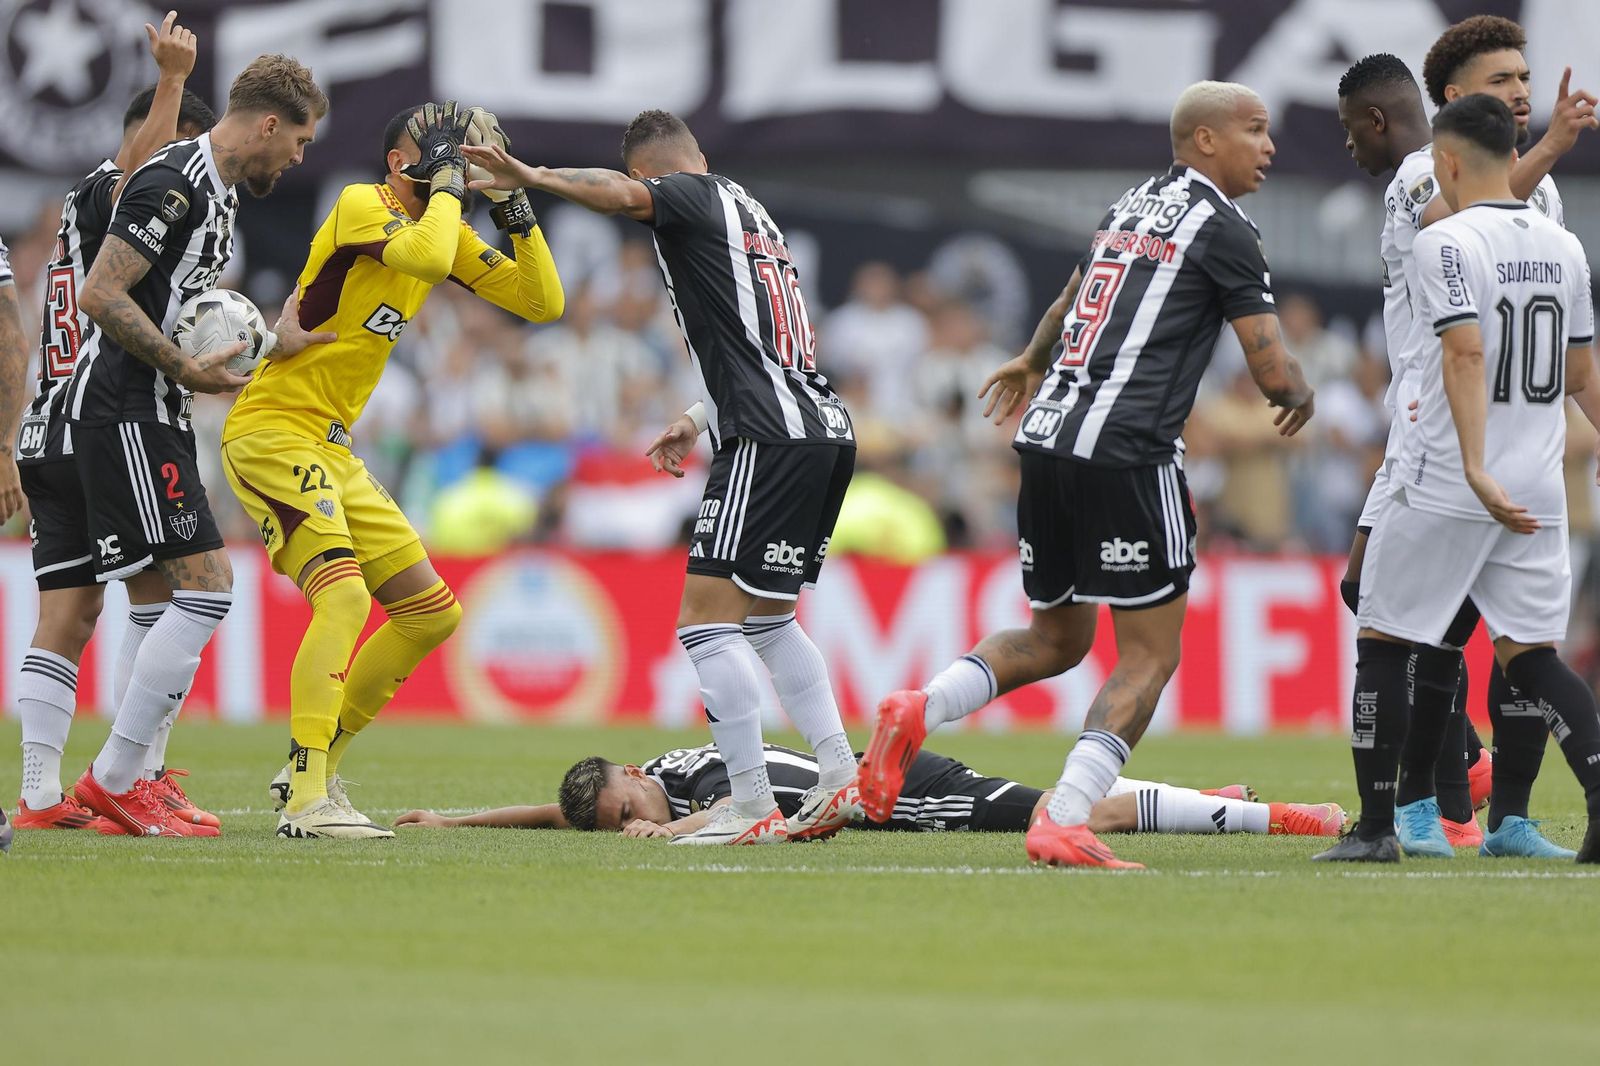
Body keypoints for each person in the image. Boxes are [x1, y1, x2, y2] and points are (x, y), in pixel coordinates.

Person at [855, 80, 1315, 870]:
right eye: (1255, 129)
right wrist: (1300, 392)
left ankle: (919, 706)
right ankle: (1065, 816)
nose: (1269, 146)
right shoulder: (1227, 228)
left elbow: (1072, 297)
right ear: (1206, 140)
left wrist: (1031, 359)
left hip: (1046, 441)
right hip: (1128, 451)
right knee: (1149, 655)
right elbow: (1270, 371)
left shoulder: (1130, 207)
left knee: (1056, 637)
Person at [464, 112, 859, 846]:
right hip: (822, 428)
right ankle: (839, 775)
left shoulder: (687, 194)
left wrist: (532, 177)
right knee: (770, 621)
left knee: (706, 624)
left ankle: (750, 802)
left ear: (652, 174)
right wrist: (699, 416)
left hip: (768, 436)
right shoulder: (753, 215)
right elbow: (762, 343)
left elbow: (618, 195)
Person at [234, 102, 565, 839]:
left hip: (331, 445)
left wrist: (512, 204)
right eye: (439, 144)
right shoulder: (363, 203)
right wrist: (446, 187)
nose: (455, 156)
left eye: (460, 148)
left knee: (430, 612)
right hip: (274, 430)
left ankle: (312, 766)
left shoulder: (442, 229)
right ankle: (307, 802)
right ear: (397, 163)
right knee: (344, 599)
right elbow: (424, 258)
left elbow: (543, 302)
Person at [1324, 29, 1598, 860]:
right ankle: (1461, 801)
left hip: (1454, 442)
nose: (1520, 90)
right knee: (1494, 635)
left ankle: (1439, 807)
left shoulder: (1526, 190)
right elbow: (1464, 214)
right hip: (1482, 438)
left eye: (1524, 76)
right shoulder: (1431, 176)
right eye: (1500, 79)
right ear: (1454, 97)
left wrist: (1543, 154)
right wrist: (1547, 152)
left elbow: (1481, 294)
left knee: (1411, 624)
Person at [64, 54, 331, 837]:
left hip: (153, 405)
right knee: (209, 589)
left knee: (155, 601)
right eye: (300, 141)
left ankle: (139, 781)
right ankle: (114, 779)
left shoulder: (219, 192)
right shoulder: (174, 182)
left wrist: (268, 344)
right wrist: (182, 369)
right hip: (126, 406)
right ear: (269, 124)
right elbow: (101, 292)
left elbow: (185, 312)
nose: (299, 158)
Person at [13, 13, 219, 836]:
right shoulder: (121, 187)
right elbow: (143, 168)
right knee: (163, 594)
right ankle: (135, 779)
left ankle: (37, 797)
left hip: (47, 424)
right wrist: (172, 80)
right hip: (102, 419)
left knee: (66, 615)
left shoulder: (79, 206)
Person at [393, 743, 1345, 841]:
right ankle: (1205, 798)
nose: (633, 825)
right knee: (1069, 804)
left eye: (629, 816)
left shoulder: (704, 780)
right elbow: (561, 815)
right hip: (886, 783)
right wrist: (454, 819)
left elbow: (746, 811)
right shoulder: (649, 780)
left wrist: (674, 834)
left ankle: (1291, 819)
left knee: (1070, 813)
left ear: (637, 779)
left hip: (903, 792)